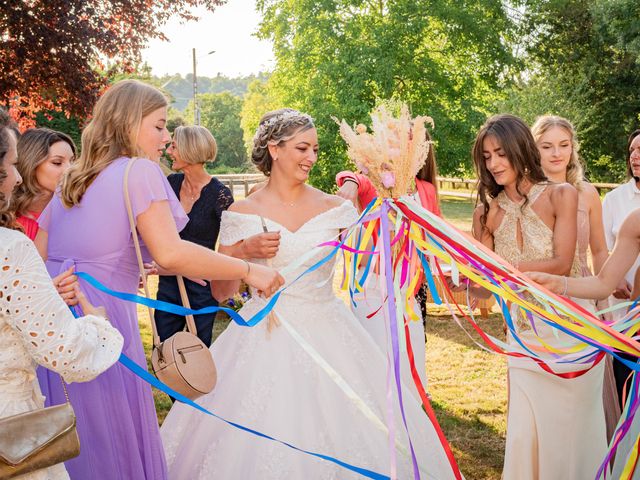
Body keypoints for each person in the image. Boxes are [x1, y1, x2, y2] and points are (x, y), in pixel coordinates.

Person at [160, 109, 457, 479]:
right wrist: (241, 253)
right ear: (275, 149)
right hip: (260, 334)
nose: (312, 158)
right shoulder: (241, 211)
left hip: (329, 331)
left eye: (315, 148)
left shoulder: (338, 209)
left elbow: (378, 255)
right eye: (303, 148)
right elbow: (221, 293)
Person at [33, 80, 284, 480]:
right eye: (160, 125)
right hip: (103, 320)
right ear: (130, 123)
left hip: (55, 320)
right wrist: (249, 269)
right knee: (111, 434)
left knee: (73, 434)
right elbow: (170, 253)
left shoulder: (72, 177)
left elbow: (42, 257)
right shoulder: (139, 170)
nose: (167, 138)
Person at [469, 114, 606, 479]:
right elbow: (483, 286)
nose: (494, 163)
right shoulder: (486, 212)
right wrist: (459, 277)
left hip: (570, 331)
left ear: (519, 149)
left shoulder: (562, 194)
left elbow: (562, 262)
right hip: (525, 339)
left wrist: (503, 273)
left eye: (500, 153)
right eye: (486, 156)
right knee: (525, 434)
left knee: (571, 433)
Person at [0, 108, 124, 480]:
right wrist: (97, 325)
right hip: (11, 433)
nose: (17, 177)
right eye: (10, 163)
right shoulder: (10, 248)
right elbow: (66, 351)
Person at [531, 114, 620, 438]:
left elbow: (598, 249)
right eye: (547, 146)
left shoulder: (588, 194)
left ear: (573, 148)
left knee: (584, 385)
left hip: (582, 296)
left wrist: (607, 289)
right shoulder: (529, 194)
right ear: (534, 149)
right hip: (540, 298)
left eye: (564, 145)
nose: (557, 153)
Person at [334, 128, 441, 388]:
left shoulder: (425, 189)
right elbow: (353, 178)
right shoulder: (378, 182)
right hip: (372, 288)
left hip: (408, 291)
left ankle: (410, 420)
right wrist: (349, 181)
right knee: (375, 366)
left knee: (409, 359)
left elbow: (436, 232)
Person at [601, 129, 640, 405]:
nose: (635, 157)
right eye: (632, 151)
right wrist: (614, 281)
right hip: (623, 310)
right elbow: (602, 248)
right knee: (625, 376)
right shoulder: (614, 200)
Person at [12, 128, 76, 240]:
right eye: (57, 163)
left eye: (72, 161)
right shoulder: (7, 218)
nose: (70, 169)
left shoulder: (77, 212)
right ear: (31, 165)